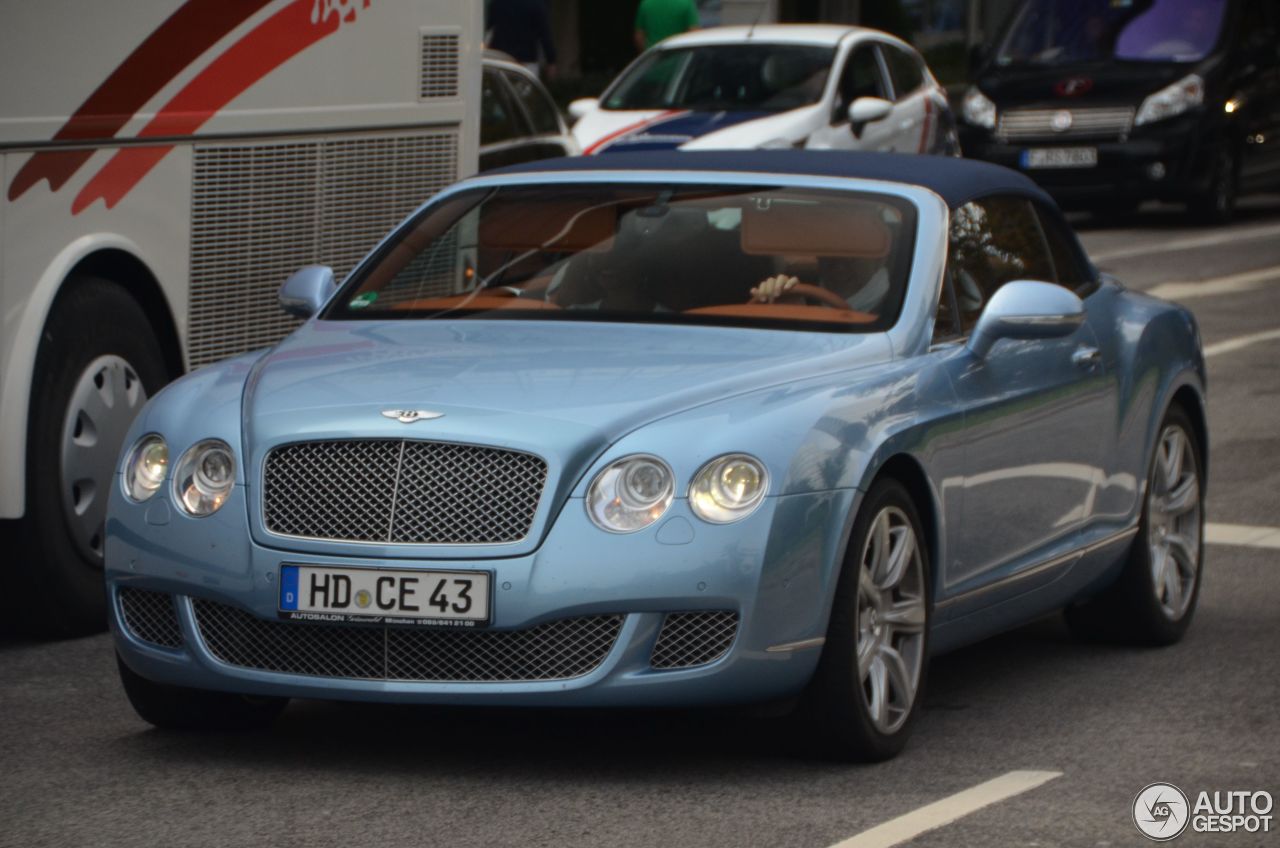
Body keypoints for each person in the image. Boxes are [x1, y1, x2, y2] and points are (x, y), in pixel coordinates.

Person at [750, 257, 891, 314]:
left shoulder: (901, 299)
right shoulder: (797, 286)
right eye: (830, 255)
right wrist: (774, 298)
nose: (839, 266)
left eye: (853, 257)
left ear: (879, 259)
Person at [487, 0, 557, 80]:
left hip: (501, 59)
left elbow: (490, 29)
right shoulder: (536, 4)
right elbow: (545, 35)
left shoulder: (497, 3)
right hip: (526, 61)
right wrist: (551, 61)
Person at [634, 0, 700, 52]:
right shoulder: (685, 3)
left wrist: (648, 55)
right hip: (679, 56)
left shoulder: (646, 3)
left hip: (654, 55)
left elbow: (639, 35)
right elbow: (694, 33)